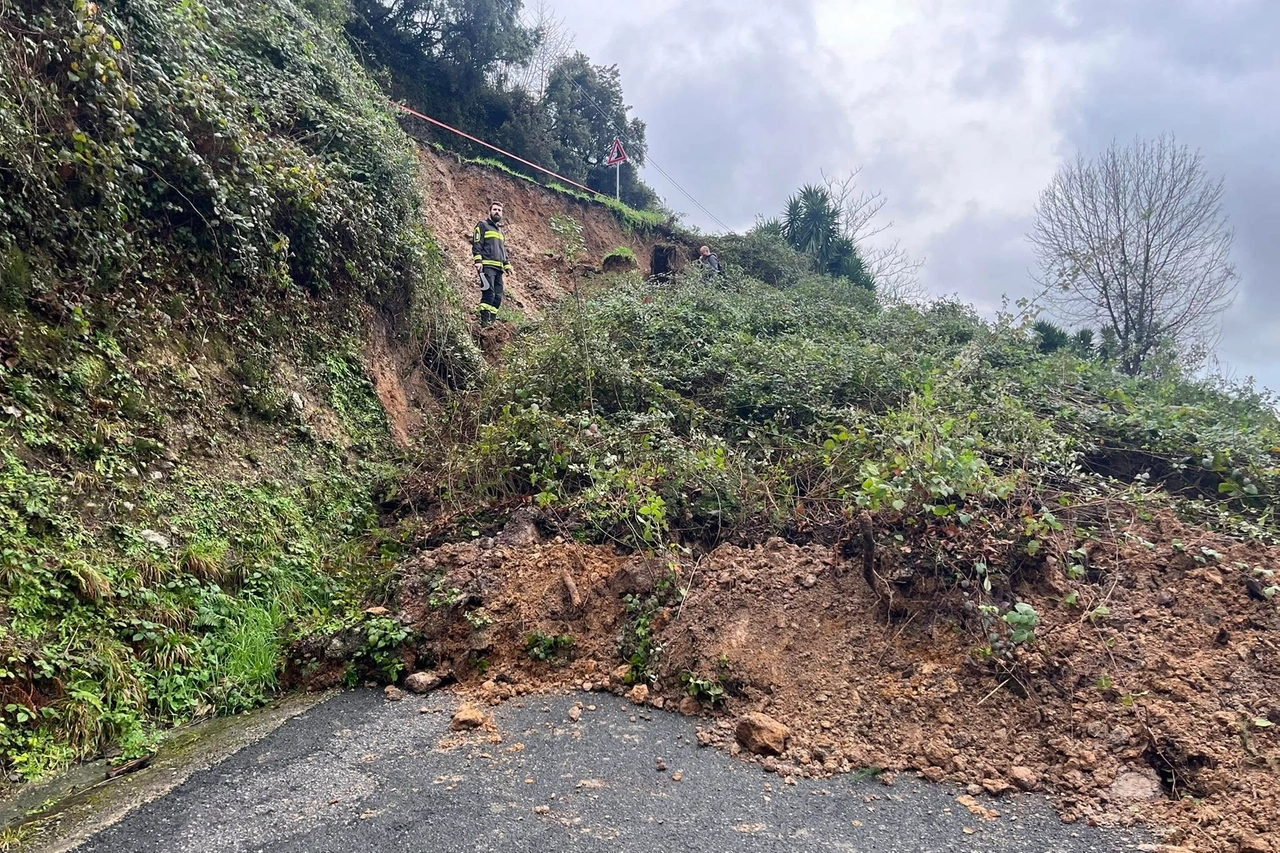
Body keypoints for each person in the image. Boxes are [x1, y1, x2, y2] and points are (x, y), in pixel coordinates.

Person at [473, 201, 513, 326]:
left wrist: (507, 264)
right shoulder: (482, 225)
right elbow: (477, 243)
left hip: (498, 269)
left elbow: (502, 250)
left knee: (498, 297)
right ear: (490, 211)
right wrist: (478, 261)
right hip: (486, 267)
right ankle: (484, 322)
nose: (497, 212)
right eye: (495, 209)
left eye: (499, 210)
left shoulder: (500, 231)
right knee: (488, 293)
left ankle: (491, 322)